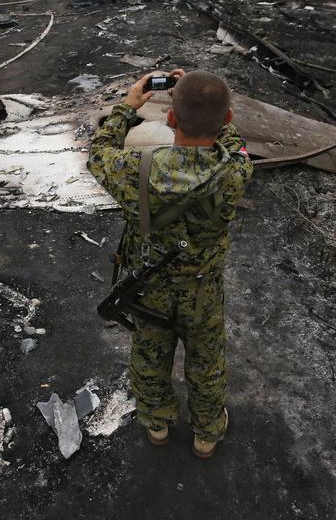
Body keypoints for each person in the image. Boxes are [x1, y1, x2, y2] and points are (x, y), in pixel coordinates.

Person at [87, 69, 253, 458]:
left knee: (149, 356)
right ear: (227, 119)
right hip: (203, 289)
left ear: (171, 118)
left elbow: (99, 151)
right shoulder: (236, 171)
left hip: (150, 288)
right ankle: (207, 435)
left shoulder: (134, 170)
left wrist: (128, 106)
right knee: (207, 361)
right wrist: (210, 105)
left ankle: (157, 425)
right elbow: (235, 142)